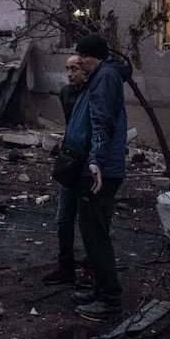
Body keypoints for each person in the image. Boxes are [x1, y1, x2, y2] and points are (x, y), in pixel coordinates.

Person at [62, 34, 132, 319]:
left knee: (96, 235)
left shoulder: (104, 77)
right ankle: (102, 290)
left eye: (83, 56)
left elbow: (101, 122)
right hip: (95, 166)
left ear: (94, 56)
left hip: (99, 170)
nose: (79, 61)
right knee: (93, 234)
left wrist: (95, 162)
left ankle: (110, 299)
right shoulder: (101, 76)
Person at [40, 54, 89, 284]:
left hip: (89, 161)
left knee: (90, 220)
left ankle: (91, 267)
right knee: (64, 217)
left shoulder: (93, 93)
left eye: (75, 69)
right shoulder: (67, 93)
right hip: (70, 159)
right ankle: (65, 264)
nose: (70, 74)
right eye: (67, 69)